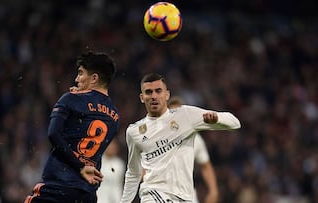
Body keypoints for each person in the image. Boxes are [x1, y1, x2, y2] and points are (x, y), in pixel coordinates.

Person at [119, 73, 240, 203]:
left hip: (186, 197)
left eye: (158, 91)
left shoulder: (185, 115)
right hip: (153, 193)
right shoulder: (134, 131)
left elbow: (235, 123)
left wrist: (217, 120)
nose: (153, 96)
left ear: (167, 95)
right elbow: (133, 172)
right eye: (149, 92)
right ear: (142, 98)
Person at [24, 51, 120, 203]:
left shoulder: (71, 99)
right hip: (87, 193)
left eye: (81, 73)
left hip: (59, 186)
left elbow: (54, 134)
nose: (76, 79)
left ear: (94, 78)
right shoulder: (114, 116)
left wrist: (80, 166)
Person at [168, 96, 218, 203]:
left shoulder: (195, 139)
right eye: (173, 113)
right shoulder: (157, 138)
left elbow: (205, 165)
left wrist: (213, 190)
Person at [97, 138, 126, 203]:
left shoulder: (119, 164)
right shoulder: (98, 162)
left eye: (113, 147)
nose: (111, 149)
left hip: (113, 198)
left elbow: (118, 185)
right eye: (109, 146)